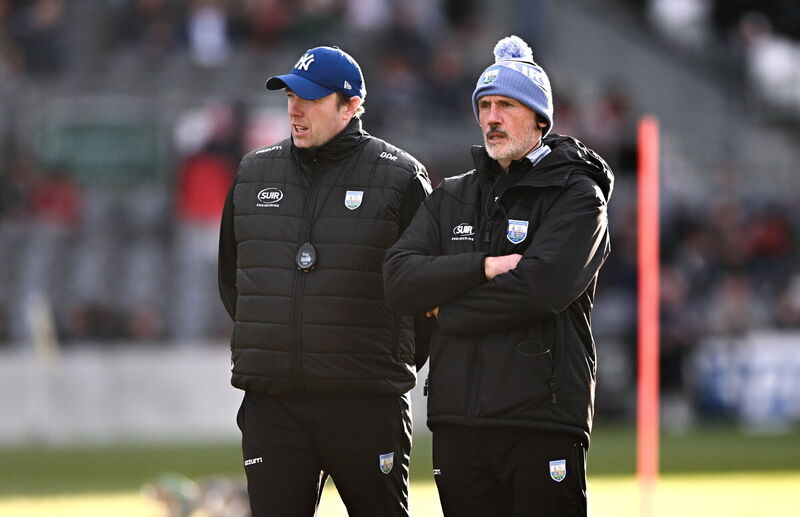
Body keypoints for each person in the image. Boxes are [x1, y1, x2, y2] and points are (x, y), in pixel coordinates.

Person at [383, 35, 614, 516]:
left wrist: (447, 308)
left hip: (542, 419)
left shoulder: (577, 195)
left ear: (539, 119)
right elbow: (399, 279)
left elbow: (539, 289)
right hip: (458, 422)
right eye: (484, 105)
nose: (491, 117)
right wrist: (482, 267)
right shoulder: (452, 195)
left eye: (506, 104)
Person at [218, 45, 432, 516]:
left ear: (351, 106)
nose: (295, 108)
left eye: (311, 98)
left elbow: (427, 294)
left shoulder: (400, 178)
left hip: (366, 403)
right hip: (273, 405)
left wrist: (379, 361)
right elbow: (234, 280)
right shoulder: (253, 172)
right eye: (290, 95)